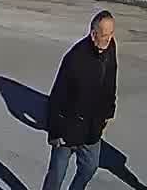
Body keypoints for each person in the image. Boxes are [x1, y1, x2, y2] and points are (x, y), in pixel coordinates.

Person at [41, 10, 119, 190]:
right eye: (105, 35)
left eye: (111, 34)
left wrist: (109, 110)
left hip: (92, 128)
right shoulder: (75, 58)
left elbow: (111, 80)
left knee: (89, 168)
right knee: (56, 175)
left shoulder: (110, 48)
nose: (109, 39)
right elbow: (57, 97)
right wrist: (55, 132)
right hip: (67, 129)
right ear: (93, 34)